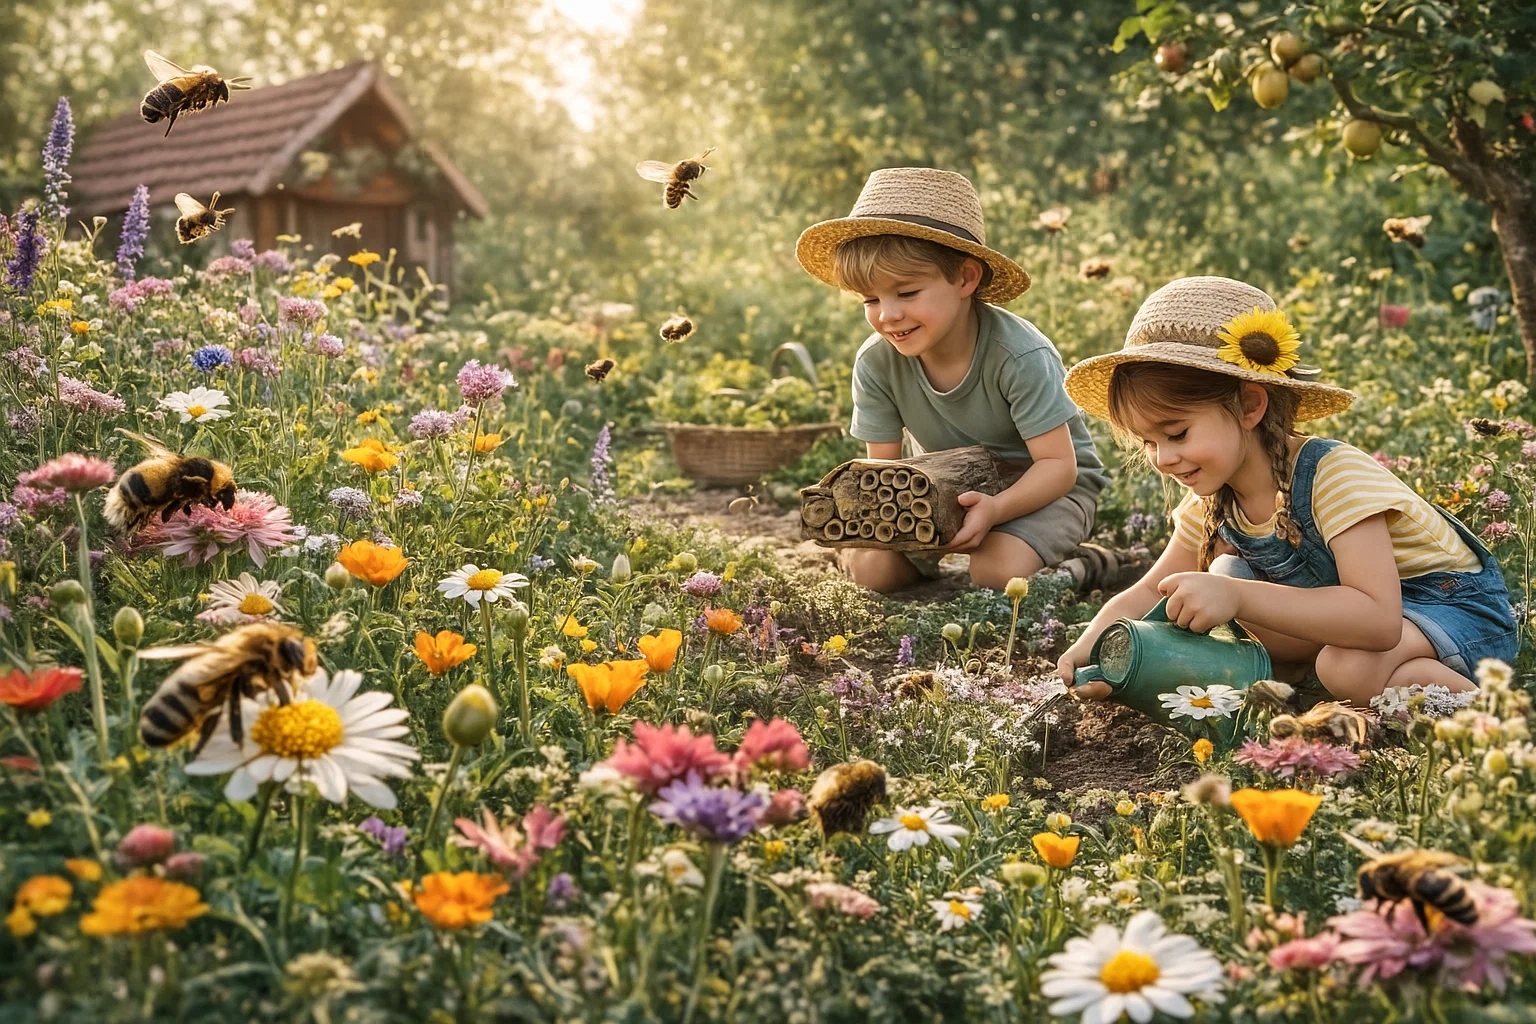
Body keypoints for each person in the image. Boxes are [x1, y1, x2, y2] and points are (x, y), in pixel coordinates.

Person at [1057, 275, 1516, 702]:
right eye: (1148, 442)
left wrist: (1238, 598)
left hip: (1452, 611)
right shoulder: (1213, 498)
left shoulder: (1332, 475)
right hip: (1364, 624)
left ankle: (1495, 716)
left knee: (1344, 666)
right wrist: (1094, 649)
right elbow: (1154, 588)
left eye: (1176, 434)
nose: (1163, 458)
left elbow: (1377, 621)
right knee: (1223, 577)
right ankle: (1312, 672)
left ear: (1250, 406)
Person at [796, 167, 1109, 593]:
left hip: (1041, 489)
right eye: (871, 299)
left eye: (906, 294)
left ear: (965, 278)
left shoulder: (1018, 355)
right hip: (941, 488)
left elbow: (1059, 467)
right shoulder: (877, 362)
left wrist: (996, 510)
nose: (887, 315)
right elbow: (884, 470)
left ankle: (1086, 565)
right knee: (875, 574)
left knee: (996, 574)